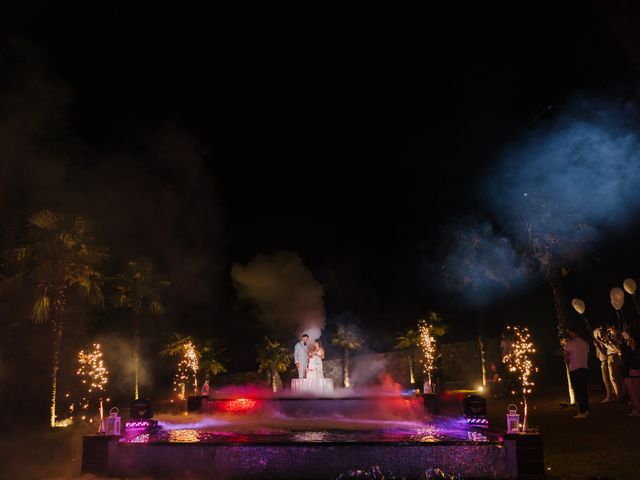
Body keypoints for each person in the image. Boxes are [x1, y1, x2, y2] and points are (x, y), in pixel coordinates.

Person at [564, 327, 591, 419]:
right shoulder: (585, 343)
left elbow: (567, 358)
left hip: (574, 369)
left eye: (570, 332)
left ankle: (582, 412)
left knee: (578, 391)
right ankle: (587, 410)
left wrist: (568, 366)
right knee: (584, 390)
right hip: (583, 368)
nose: (570, 334)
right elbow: (587, 357)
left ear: (573, 332)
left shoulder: (569, 344)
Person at [620, 328, 640, 416]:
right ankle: (636, 408)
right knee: (631, 390)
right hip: (628, 369)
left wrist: (633, 347)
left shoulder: (634, 344)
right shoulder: (624, 345)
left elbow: (634, 356)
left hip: (634, 369)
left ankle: (637, 409)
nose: (624, 334)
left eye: (627, 332)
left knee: (635, 390)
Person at [593, 325, 614, 402]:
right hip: (604, 361)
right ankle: (612, 395)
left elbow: (604, 352)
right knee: (609, 380)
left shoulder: (603, 341)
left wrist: (598, 345)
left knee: (607, 380)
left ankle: (609, 396)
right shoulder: (602, 341)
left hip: (605, 361)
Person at [606, 324, 625, 401]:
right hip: (612, 356)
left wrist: (609, 341)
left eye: (609, 326)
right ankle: (621, 394)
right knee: (617, 376)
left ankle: (619, 396)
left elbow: (618, 345)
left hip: (614, 356)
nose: (608, 328)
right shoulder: (611, 334)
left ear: (613, 326)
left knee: (613, 377)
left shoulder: (618, 334)